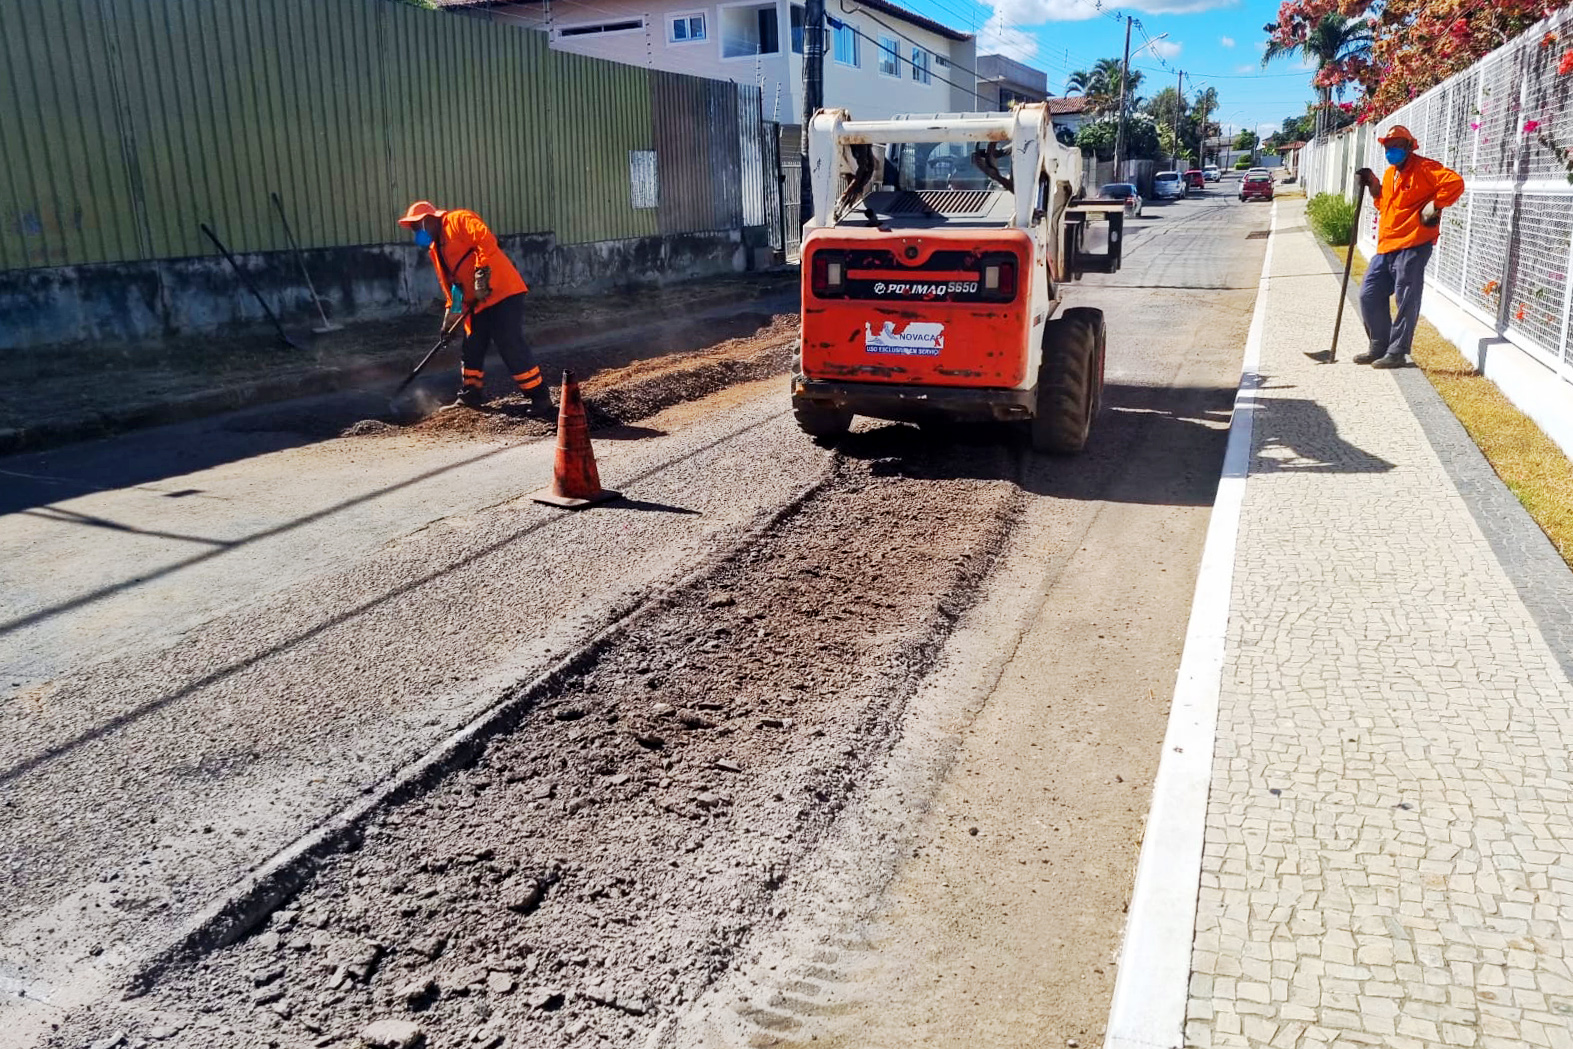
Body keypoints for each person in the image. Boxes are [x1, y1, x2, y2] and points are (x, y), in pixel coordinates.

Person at [397, 201, 553, 413]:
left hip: (502, 292)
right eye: (414, 229)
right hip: (477, 303)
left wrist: (482, 274)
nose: (417, 233)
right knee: (472, 345)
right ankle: (470, 396)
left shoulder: (458, 220)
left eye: (418, 227)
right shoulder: (436, 249)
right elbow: (454, 287)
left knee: (508, 341)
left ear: (429, 221)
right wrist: (449, 321)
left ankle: (540, 398)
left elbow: (485, 240)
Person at [1352, 124, 1464, 369]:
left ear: (1409, 147)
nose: (1391, 151)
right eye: (1388, 147)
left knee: (1406, 297)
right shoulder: (1391, 174)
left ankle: (1398, 351)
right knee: (1369, 294)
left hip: (1414, 244)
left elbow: (1455, 183)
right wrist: (1372, 184)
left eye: (1397, 146)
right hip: (1388, 245)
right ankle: (1379, 345)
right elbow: (1386, 206)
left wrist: (1435, 204)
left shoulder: (1425, 168)